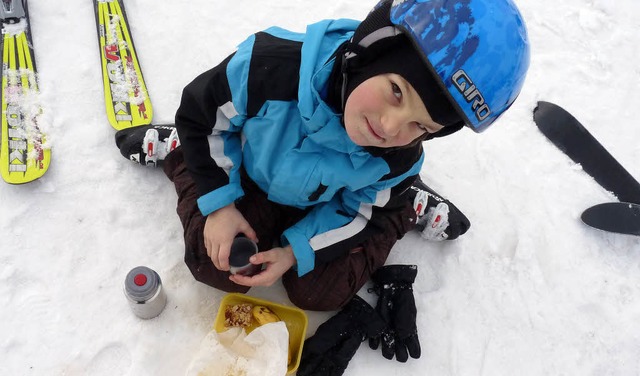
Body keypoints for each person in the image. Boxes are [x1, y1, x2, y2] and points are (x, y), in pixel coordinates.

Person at [115, 0, 530, 312]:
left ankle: (404, 205)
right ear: (368, 52)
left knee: (319, 293)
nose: (389, 128)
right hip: (253, 172)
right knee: (214, 262)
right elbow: (201, 113)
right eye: (396, 91)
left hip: (329, 199)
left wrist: (297, 251)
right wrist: (220, 205)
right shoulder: (266, 67)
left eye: (420, 126)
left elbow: (359, 213)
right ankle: (182, 153)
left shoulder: (396, 158)